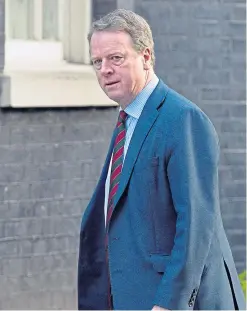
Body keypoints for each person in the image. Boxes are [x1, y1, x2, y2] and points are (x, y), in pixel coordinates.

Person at [77, 9, 245, 310]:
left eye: (116, 58)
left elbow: (196, 224)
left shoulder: (183, 119)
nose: (105, 69)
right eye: (97, 62)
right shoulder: (126, 121)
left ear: (146, 56)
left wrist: (169, 303)